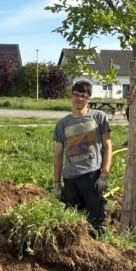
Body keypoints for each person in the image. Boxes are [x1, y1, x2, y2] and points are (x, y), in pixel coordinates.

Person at [53, 81, 112, 234]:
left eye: (84, 96)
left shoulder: (99, 117)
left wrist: (104, 174)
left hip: (92, 176)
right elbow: (58, 155)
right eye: (77, 95)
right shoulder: (62, 124)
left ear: (89, 99)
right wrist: (57, 184)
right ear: (71, 96)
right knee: (72, 224)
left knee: (96, 223)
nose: (80, 99)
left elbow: (107, 146)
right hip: (71, 179)